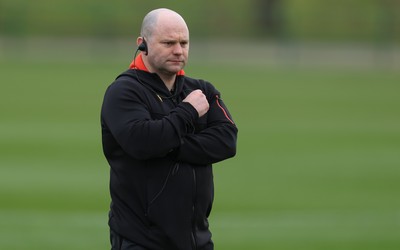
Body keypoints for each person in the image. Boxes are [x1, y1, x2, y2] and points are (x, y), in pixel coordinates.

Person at [101, 8, 238, 250]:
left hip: (197, 239)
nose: (178, 50)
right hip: (142, 240)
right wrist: (187, 113)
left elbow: (226, 141)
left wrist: (168, 144)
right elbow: (142, 143)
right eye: (168, 43)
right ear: (142, 44)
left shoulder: (201, 90)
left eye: (183, 43)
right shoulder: (123, 91)